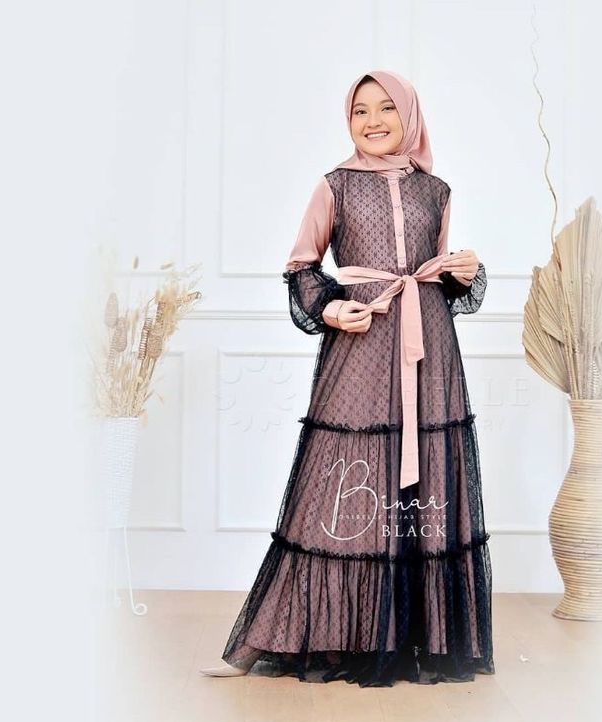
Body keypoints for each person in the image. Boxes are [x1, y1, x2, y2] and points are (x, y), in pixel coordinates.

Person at [200, 69, 494, 687]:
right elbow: (301, 267)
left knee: (424, 483)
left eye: (387, 108)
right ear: (348, 120)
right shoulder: (333, 185)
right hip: (360, 342)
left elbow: (437, 275)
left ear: (410, 116)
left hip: (428, 347)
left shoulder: (437, 191)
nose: (373, 120)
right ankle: (290, 635)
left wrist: (462, 270)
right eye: (361, 110)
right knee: (340, 479)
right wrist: (332, 308)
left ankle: (416, 638)